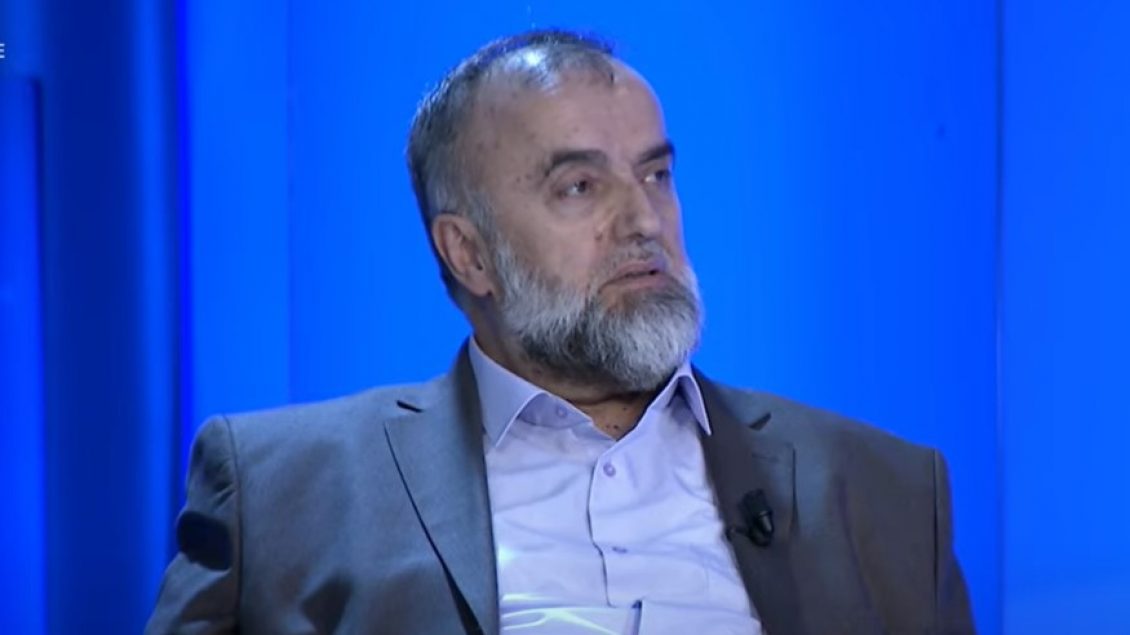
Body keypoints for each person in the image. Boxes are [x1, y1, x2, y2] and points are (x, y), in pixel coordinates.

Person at [146, 29, 975, 634]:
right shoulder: (283, 492)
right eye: (579, 186)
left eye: (656, 173)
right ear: (469, 252)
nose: (643, 219)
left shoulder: (887, 494)